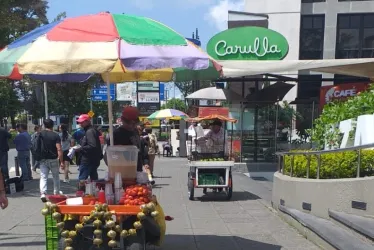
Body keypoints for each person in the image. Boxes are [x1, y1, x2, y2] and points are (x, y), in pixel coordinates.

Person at [110, 106, 149, 172]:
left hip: (137, 169)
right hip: (122, 171)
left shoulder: (135, 131)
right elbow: (111, 156)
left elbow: (140, 149)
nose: (131, 126)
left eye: (134, 123)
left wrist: (145, 162)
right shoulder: (117, 134)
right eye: (129, 123)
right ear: (122, 120)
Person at [38, 119, 64, 202]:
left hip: (42, 158)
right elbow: (59, 149)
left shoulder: (39, 134)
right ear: (53, 125)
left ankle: (43, 193)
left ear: (44, 125)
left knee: (43, 176)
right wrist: (62, 161)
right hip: (53, 159)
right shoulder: (55, 135)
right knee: (56, 176)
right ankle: (56, 192)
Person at [75, 114, 102, 181]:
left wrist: (81, 148)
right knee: (94, 179)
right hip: (93, 159)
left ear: (87, 121)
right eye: (79, 122)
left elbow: (92, 145)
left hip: (88, 159)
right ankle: (93, 190)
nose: (80, 124)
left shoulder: (90, 131)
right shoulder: (91, 130)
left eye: (82, 122)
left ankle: (81, 191)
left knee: (82, 179)